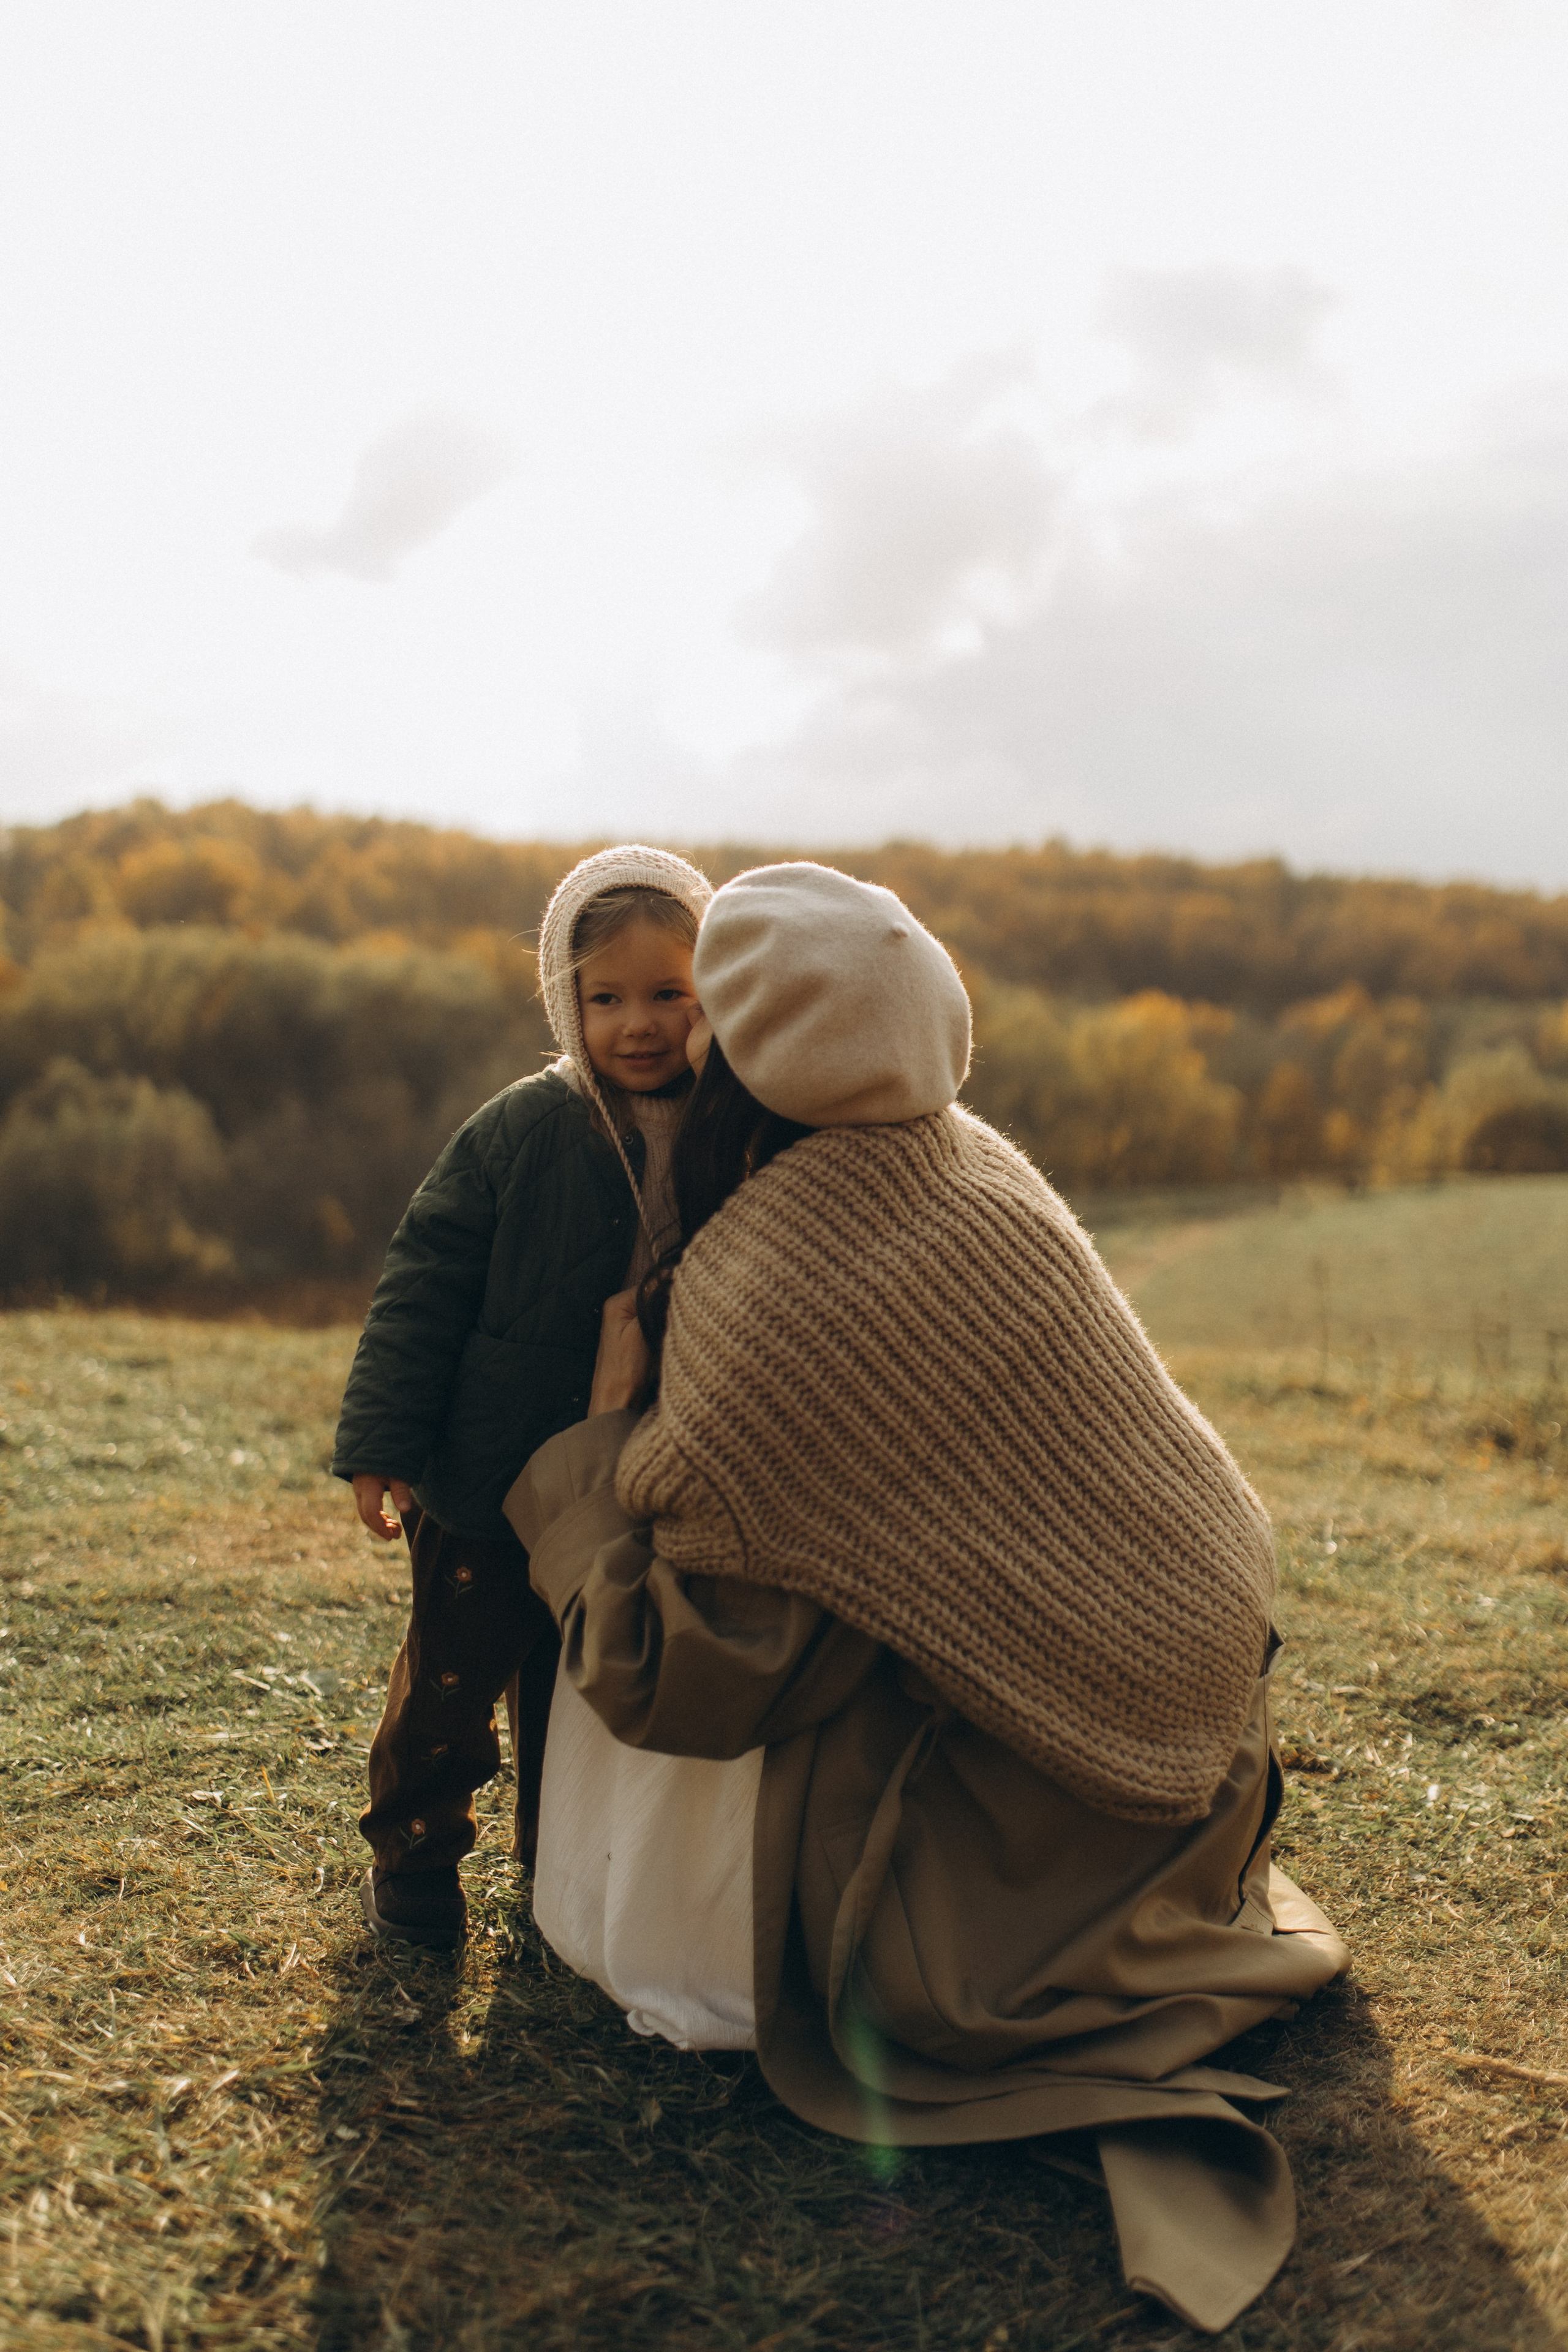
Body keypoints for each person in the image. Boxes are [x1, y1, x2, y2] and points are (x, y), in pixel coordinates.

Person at [503, 862, 1348, 2336]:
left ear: (736, 1057)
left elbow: (690, 1679)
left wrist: (596, 1449)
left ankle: (669, 1936)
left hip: (1050, 1832)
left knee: (668, 1590)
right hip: (1200, 1756)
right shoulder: (973, 1161)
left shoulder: (777, 1275)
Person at [331, 843, 710, 1949]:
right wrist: (382, 1443)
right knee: (454, 1675)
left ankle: (561, 1870)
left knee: (580, 1685)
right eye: (605, 999)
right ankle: (414, 1857)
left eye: (668, 994)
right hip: (492, 1471)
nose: (636, 1024)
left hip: (624, 1473)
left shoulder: (732, 1128)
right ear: (565, 997)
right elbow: (423, 1280)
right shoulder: (523, 1127)